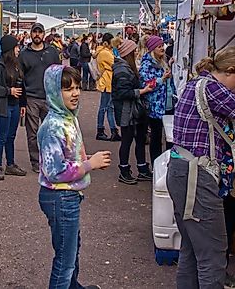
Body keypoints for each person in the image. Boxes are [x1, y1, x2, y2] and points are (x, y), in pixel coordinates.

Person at [167, 47, 235, 289]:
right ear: (230, 71)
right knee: (213, 254)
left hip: (181, 170)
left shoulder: (197, 83)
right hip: (197, 176)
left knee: (191, 250)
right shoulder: (213, 89)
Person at [38, 65, 110, 289]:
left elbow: (68, 155)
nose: (76, 93)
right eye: (68, 89)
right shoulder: (54, 125)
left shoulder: (67, 117)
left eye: (77, 87)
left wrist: (87, 159)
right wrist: (89, 164)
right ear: (53, 91)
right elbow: (55, 171)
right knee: (65, 261)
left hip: (68, 195)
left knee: (71, 252)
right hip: (59, 197)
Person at [19, 22, 63, 173]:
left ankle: (49, 159)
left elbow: (59, 73)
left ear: (44, 34)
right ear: (31, 34)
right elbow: (21, 78)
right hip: (31, 98)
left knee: (50, 132)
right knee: (33, 133)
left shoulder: (52, 52)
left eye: (40, 32)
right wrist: (22, 102)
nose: (37, 35)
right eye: (34, 32)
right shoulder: (24, 54)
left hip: (49, 98)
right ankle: (36, 161)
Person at [112, 39, 154, 184]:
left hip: (132, 111)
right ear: (128, 53)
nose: (136, 53)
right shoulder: (122, 70)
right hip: (127, 111)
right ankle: (124, 171)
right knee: (127, 140)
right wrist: (143, 91)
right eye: (134, 51)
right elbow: (123, 93)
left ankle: (141, 168)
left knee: (139, 139)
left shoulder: (124, 68)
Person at [0, 35, 27, 180]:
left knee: (11, 136)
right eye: (16, 47)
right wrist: (9, 91)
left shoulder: (17, 64)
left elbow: (21, 86)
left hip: (15, 105)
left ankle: (10, 164)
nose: (18, 49)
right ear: (10, 49)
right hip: (3, 106)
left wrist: (23, 104)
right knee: (2, 137)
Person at [140, 34, 174, 164]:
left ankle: (170, 163)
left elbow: (170, 84)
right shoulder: (147, 64)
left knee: (171, 137)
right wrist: (162, 79)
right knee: (156, 136)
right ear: (153, 48)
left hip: (168, 104)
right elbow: (146, 84)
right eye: (159, 46)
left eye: (162, 45)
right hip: (155, 106)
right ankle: (157, 164)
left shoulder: (163, 61)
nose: (162, 48)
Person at [95, 33, 119, 142]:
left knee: (108, 107)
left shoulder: (103, 51)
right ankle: (102, 130)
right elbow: (116, 62)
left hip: (108, 82)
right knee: (105, 108)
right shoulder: (105, 53)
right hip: (107, 82)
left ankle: (111, 130)